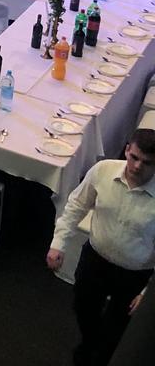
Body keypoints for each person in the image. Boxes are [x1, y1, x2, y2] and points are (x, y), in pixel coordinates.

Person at [48, 130, 155, 366]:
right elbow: (76, 205)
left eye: (147, 163)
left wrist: (147, 293)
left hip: (135, 274)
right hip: (95, 259)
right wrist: (59, 244)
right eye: (134, 157)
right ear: (127, 150)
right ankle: (91, 345)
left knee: (117, 328)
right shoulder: (103, 170)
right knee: (83, 307)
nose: (137, 166)